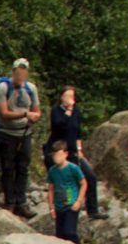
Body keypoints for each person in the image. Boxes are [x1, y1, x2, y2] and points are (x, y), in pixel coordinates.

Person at [42, 85, 101, 218]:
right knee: (65, 182)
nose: (70, 99)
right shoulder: (56, 111)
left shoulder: (76, 111)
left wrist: (80, 149)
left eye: (72, 96)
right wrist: (68, 110)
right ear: (62, 97)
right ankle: (63, 210)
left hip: (73, 150)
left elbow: (77, 131)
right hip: (59, 151)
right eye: (67, 96)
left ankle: (93, 210)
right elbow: (60, 126)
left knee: (90, 176)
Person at [0, 57, 38, 213]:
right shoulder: (3, 88)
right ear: (13, 72)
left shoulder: (31, 88)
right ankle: (9, 202)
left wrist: (34, 117)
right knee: (8, 168)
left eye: (23, 74)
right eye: (18, 74)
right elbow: (3, 113)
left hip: (25, 133)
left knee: (23, 168)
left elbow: (37, 110)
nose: (20, 77)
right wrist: (25, 114)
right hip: (7, 133)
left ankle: (21, 202)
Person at [46, 140, 89, 243]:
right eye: (54, 155)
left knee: (69, 232)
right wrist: (51, 208)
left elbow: (84, 183)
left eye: (59, 154)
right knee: (60, 236)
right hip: (59, 206)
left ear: (65, 154)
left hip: (71, 204)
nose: (56, 157)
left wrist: (78, 201)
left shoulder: (73, 168)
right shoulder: (52, 171)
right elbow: (51, 189)